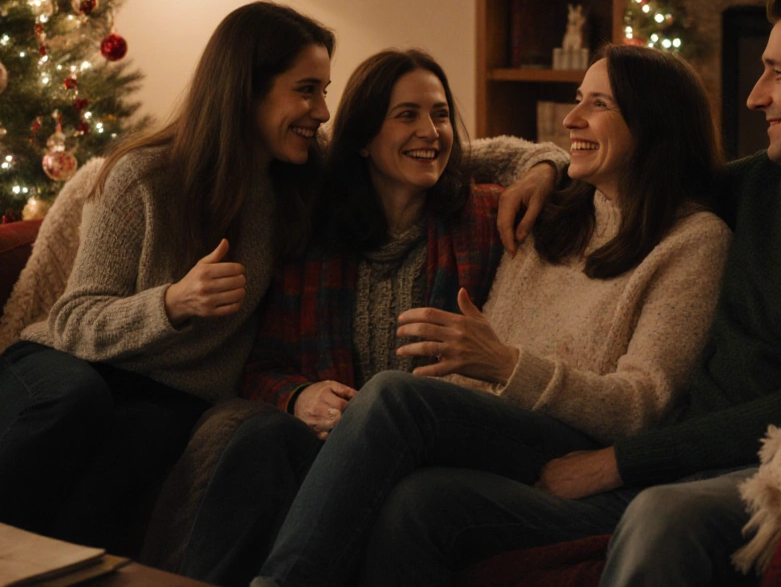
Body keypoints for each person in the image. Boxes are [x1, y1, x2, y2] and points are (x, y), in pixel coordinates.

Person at [360, 0, 781, 587]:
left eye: (778, 72)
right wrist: (548, 167)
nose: (755, 96)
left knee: (663, 517)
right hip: (673, 459)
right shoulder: (767, 182)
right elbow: (645, 166)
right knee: (421, 502)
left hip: (759, 474)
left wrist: (620, 462)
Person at [249, 44, 733, 587]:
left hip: (578, 444)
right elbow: (445, 156)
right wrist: (547, 165)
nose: (571, 119)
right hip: (495, 432)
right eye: (577, 100)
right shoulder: (546, 218)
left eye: (598, 104)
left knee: (393, 396)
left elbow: (645, 405)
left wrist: (506, 365)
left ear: (656, 123)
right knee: (412, 500)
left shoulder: (693, 241)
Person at [0, 1, 336, 550]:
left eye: (326, 90)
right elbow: (72, 319)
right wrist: (173, 303)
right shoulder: (146, 177)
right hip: (63, 360)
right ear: (248, 89)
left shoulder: (296, 186)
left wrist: (514, 178)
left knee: (148, 437)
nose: (322, 110)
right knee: (76, 404)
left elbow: (417, 157)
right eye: (307, 89)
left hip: (171, 394)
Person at [176, 49, 559, 584]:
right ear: (361, 137)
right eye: (406, 115)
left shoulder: (487, 217)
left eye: (441, 114)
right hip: (335, 454)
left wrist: (547, 167)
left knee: (389, 406)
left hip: (448, 447)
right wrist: (298, 396)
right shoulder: (313, 234)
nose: (430, 131)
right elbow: (260, 363)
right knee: (248, 435)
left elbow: (551, 164)